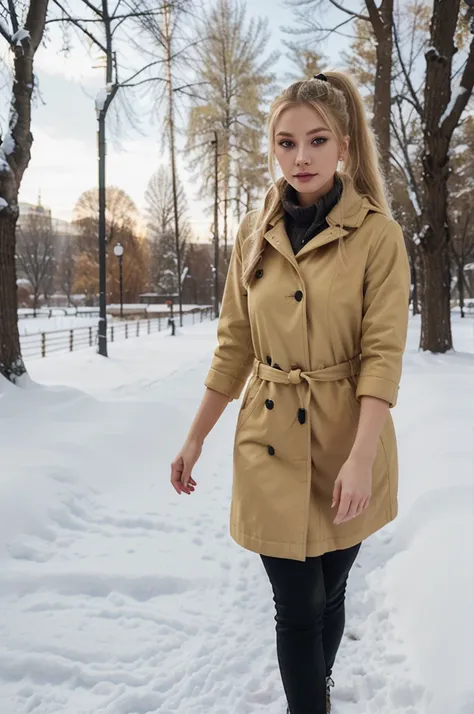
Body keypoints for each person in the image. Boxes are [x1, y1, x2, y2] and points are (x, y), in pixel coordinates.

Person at [170, 71, 411, 714]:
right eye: (285, 142)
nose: (299, 156)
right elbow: (233, 344)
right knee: (298, 603)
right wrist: (195, 436)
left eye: (315, 140)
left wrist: (361, 457)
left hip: (346, 440)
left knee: (330, 592)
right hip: (270, 440)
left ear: (344, 147)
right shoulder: (253, 233)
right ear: (272, 149)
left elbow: (384, 355)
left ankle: (316, 690)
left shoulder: (379, 236)